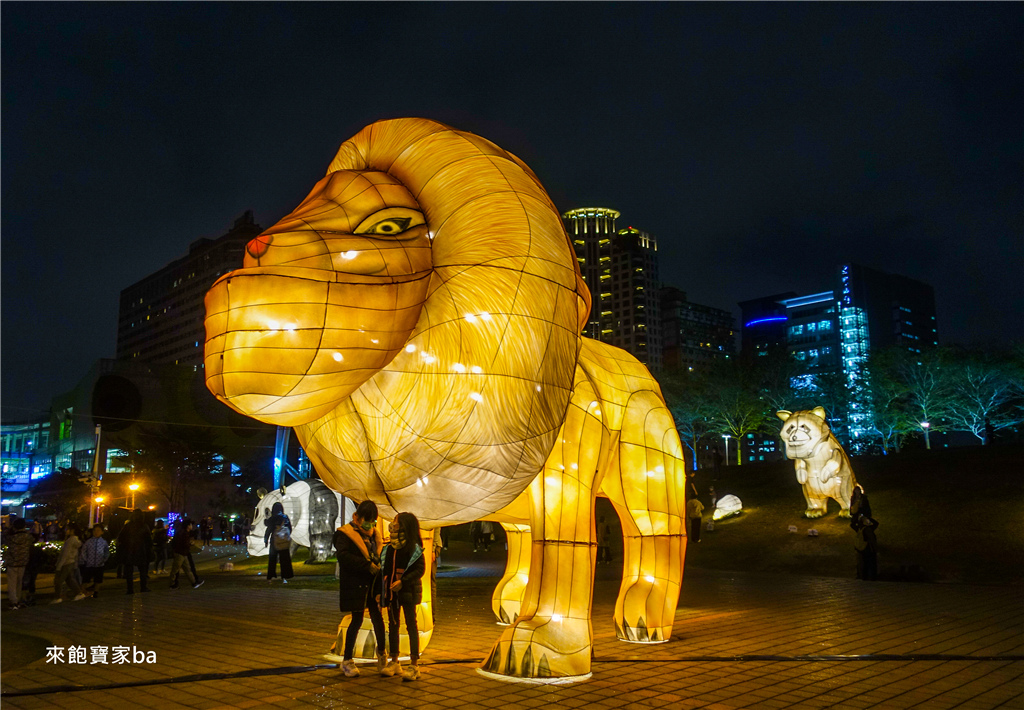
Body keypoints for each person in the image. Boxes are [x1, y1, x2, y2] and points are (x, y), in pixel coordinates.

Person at [333, 500, 385, 678]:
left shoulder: (374, 535)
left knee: (378, 618)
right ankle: (347, 661)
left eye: (373, 521)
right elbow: (343, 556)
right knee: (356, 620)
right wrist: (366, 565)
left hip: (372, 585)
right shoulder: (345, 535)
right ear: (356, 517)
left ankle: (383, 655)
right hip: (355, 584)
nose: (370, 525)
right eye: (367, 520)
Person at [380, 512, 426, 681]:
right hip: (392, 594)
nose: (392, 524)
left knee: (411, 625)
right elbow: (384, 570)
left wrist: (403, 582)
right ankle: (394, 661)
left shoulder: (414, 548)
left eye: (395, 522)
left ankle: (414, 665)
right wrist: (382, 591)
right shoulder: (390, 548)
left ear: (405, 526)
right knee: (393, 625)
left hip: (408, 593)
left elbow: (420, 570)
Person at [117, 509, 153, 594]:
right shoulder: (144, 526)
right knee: (143, 571)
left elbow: (121, 538)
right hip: (141, 551)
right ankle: (143, 587)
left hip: (129, 551)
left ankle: (130, 589)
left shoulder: (128, 526)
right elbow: (149, 540)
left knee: (129, 572)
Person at [52, 525, 88, 603]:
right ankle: (79, 593)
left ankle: (57, 597)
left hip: (66, 563)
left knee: (58, 580)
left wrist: (59, 565)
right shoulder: (75, 540)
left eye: (68, 529)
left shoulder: (71, 540)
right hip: (70, 562)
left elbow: (65, 553)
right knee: (69, 580)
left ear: (72, 530)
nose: (66, 531)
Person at [5, 518, 35, 609]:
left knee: (12, 583)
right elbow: (34, 539)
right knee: (19, 582)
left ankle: (13, 602)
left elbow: (5, 537)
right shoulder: (28, 537)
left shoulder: (11, 537)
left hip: (12, 562)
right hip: (23, 562)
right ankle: (17, 599)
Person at [169, 519, 204, 589]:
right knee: (175, 570)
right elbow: (182, 543)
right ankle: (172, 584)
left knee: (187, 569)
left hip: (183, 553)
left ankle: (194, 583)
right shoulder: (183, 533)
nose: (192, 526)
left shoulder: (185, 532)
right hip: (180, 553)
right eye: (191, 525)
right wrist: (190, 544)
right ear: (188, 526)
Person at [264, 502, 294, 583]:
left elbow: (268, 529)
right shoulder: (285, 517)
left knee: (272, 559)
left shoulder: (273, 518)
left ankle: (271, 576)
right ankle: (285, 576)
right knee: (284, 560)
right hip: (283, 541)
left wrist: (266, 540)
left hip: (275, 541)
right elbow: (289, 528)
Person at [79, 524, 110, 597]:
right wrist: (85, 559)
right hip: (89, 564)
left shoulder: (103, 542)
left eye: (98, 530)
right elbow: (83, 551)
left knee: (98, 579)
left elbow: (106, 552)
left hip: (99, 564)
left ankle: (96, 592)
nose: (96, 532)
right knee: (86, 579)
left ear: (102, 532)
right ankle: (82, 592)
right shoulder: (89, 541)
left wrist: (104, 560)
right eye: (95, 530)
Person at [852, 514, 879, 581]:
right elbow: (876, 523)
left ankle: (864, 577)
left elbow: (852, 525)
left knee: (864, 564)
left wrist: (856, 518)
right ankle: (871, 578)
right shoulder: (868, 529)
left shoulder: (859, 529)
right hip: (869, 549)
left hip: (862, 549)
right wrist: (868, 517)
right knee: (871, 564)